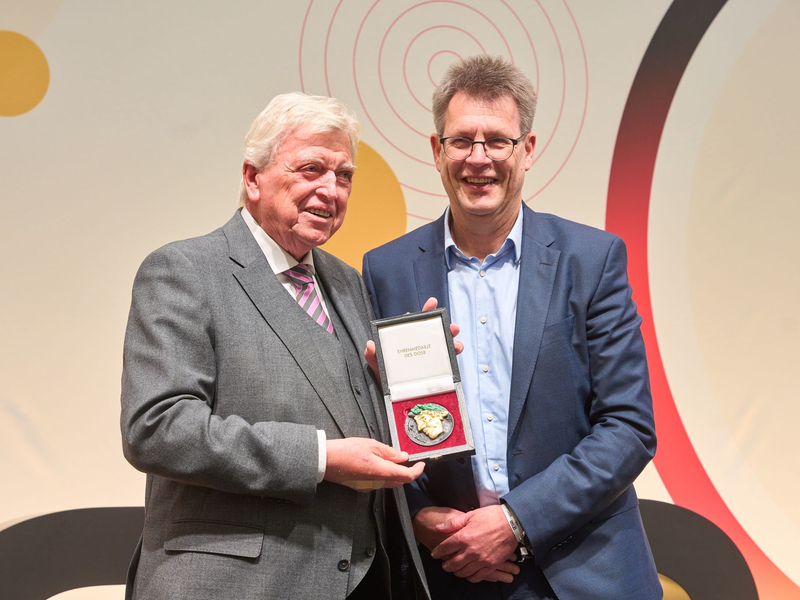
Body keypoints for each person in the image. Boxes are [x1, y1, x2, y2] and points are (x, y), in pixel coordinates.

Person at [362, 56, 662, 599]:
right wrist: (418, 515)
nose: (478, 159)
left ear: (527, 150)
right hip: (449, 572)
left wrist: (515, 522)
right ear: (437, 151)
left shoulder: (590, 260)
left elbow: (628, 427)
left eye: (497, 141)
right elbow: (370, 426)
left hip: (582, 572)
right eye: (461, 141)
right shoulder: (386, 270)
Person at [120, 93, 432, 600]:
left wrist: (420, 378)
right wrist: (320, 459)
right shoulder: (185, 271)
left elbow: (354, 417)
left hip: (359, 578)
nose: (330, 190)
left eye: (344, 175)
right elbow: (157, 428)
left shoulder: (349, 284)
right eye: (311, 169)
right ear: (252, 178)